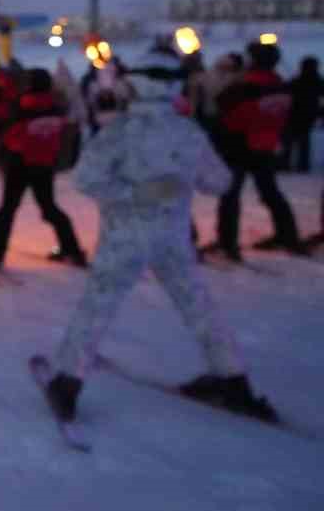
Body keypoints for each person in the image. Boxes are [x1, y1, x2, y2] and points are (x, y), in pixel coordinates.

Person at [34, 71, 278, 425]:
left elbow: (84, 179)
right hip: (173, 237)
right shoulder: (188, 132)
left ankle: (67, 382)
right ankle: (233, 379)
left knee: (98, 307)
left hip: (125, 238)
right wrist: (181, 176)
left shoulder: (120, 131)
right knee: (197, 305)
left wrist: (132, 194)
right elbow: (219, 182)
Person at [0, 68, 85, 270]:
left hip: (20, 164)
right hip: (44, 164)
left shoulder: (21, 109)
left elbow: (12, 139)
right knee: (49, 207)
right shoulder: (56, 109)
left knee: (8, 208)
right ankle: (72, 249)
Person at [211, 41, 303, 259]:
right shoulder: (281, 86)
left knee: (230, 195)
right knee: (271, 192)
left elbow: (222, 108)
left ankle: (228, 243)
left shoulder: (244, 87)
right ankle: (288, 234)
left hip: (239, 146)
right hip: (266, 145)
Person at [282, 55, 320, 172]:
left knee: (289, 142)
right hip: (307, 116)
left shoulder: (297, 81)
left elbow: (285, 91)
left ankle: (285, 164)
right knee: (303, 142)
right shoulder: (317, 81)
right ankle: (302, 165)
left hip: (293, 116)